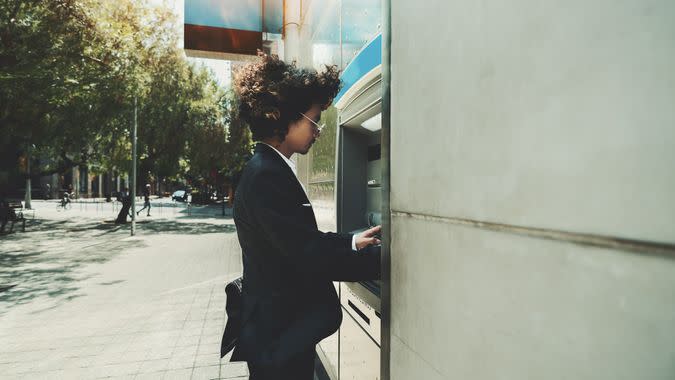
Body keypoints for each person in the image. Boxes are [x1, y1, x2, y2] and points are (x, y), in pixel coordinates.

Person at [229, 53, 382, 380]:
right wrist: (382, 261)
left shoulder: (267, 169)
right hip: (280, 333)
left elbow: (298, 239)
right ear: (282, 117)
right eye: (314, 120)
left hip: (279, 328)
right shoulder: (266, 175)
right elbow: (307, 254)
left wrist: (353, 241)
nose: (318, 131)